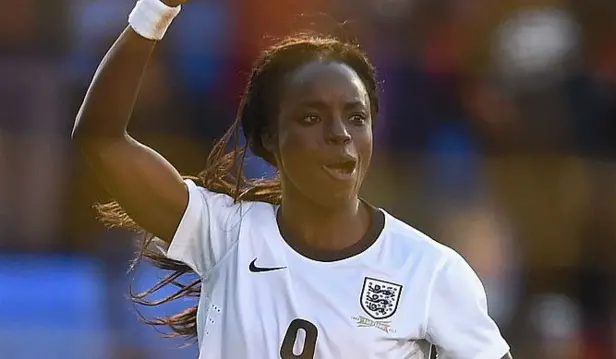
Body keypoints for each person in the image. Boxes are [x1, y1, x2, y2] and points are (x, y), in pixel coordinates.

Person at [71, 0, 513, 358]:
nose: (340, 134)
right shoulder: (225, 234)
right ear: (268, 139)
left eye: (356, 117)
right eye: (311, 117)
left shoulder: (431, 271)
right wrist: (157, 8)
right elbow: (101, 138)